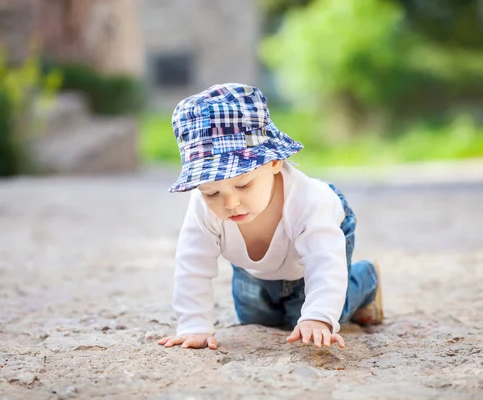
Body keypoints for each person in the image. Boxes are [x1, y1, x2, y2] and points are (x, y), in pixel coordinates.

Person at [157, 83, 383, 351]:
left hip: (314, 248)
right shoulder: (203, 208)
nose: (230, 202)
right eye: (211, 192)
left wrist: (318, 317)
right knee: (258, 319)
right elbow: (191, 264)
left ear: (274, 162)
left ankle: (365, 277)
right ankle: (285, 299)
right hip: (256, 264)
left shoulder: (308, 202)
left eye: (243, 185)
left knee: (307, 317)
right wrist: (193, 325)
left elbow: (324, 262)